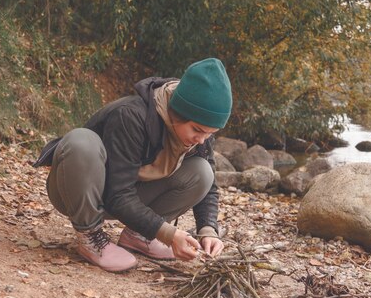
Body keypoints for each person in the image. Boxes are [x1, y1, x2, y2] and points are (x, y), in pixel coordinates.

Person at [34, 58, 232, 272]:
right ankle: (90, 236)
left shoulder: (201, 133)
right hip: (77, 192)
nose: (202, 139)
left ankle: (140, 236)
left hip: (129, 198)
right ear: (178, 112)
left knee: (202, 173)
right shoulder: (131, 116)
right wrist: (168, 233)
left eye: (211, 133)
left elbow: (209, 187)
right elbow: (117, 193)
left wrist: (208, 229)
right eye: (197, 130)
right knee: (81, 141)